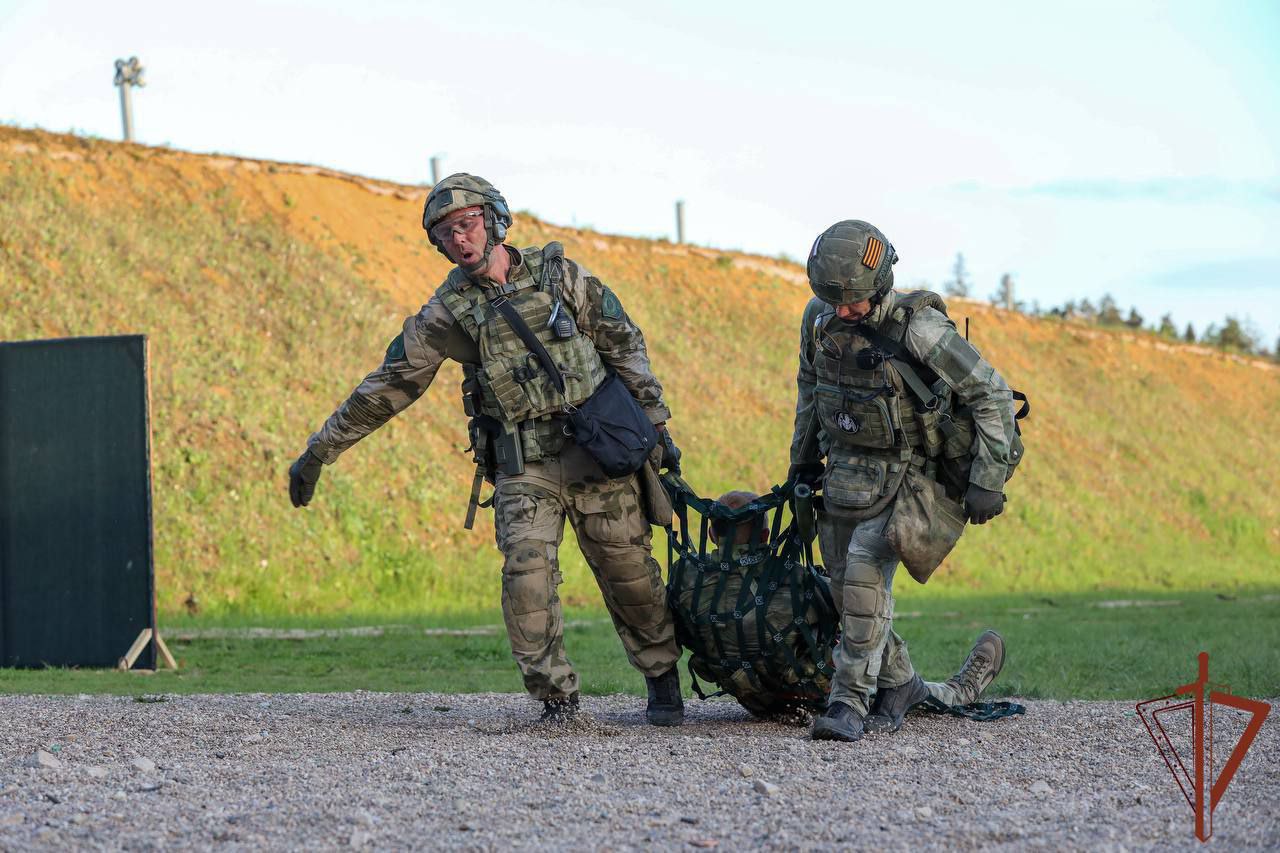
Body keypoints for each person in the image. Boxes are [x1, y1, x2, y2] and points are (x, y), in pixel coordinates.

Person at [287, 173, 685, 726]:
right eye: (446, 233)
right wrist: (319, 451)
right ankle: (557, 701)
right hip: (525, 464)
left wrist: (656, 427)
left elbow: (623, 340)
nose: (460, 240)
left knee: (630, 574)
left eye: (468, 224)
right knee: (526, 576)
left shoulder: (559, 276)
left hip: (599, 455)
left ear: (495, 221)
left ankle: (662, 679)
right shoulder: (447, 314)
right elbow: (391, 384)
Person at [789, 220, 1019, 742]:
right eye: (833, 300)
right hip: (847, 471)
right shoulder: (819, 321)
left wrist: (988, 478)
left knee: (865, 574)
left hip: (915, 476)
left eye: (854, 302)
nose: (843, 312)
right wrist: (801, 462)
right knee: (844, 587)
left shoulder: (922, 331)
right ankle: (904, 687)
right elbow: (810, 390)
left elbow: (992, 394)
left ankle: (847, 701)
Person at [672, 490, 1006, 724]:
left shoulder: (687, 581)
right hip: (818, 694)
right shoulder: (793, 581)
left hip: (755, 700)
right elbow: (852, 619)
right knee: (864, 615)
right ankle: (958, 690)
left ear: (713, 535)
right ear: (764, 537)